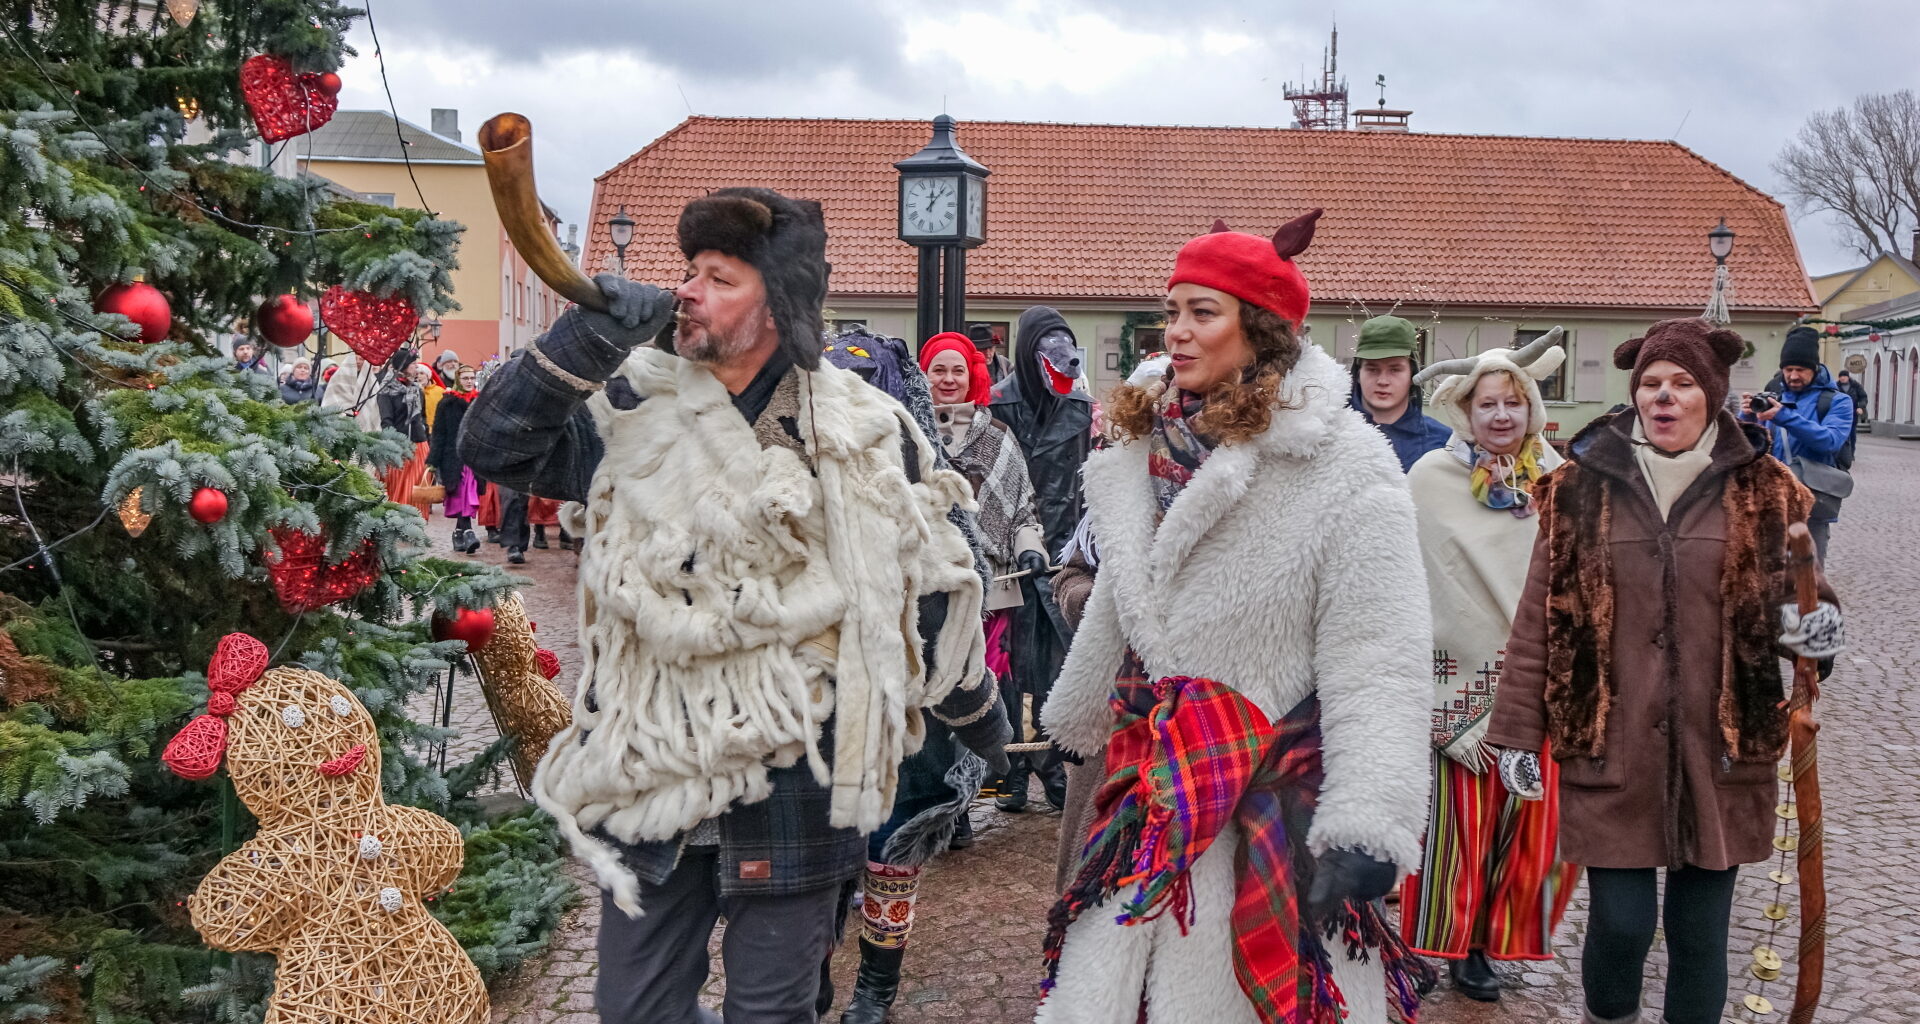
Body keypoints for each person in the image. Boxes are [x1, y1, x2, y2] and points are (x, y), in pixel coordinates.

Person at [457, 187, 1005, 1024]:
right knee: (635, 1011)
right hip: (650, 778)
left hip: (795, 788)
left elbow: (928, 588)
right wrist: (588, 335)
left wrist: (979, 720)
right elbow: (494, 445)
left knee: (772, 1015)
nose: (687, 290)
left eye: (718, 277)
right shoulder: (633, 412)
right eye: (688, 271)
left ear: (779, 303)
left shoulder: (863, 432)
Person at [1036, 212, 1432, 1024]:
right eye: (1171, 310)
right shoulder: (1143, 445)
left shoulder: (1345, 465)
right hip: (1149, 788)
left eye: (1201, 313)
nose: (1175, 332)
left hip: (1271, 805)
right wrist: (1077, 714)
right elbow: (1127, 593)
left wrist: (1371, 818)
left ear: (1262, 330)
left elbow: (1379, 653)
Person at [1487, 317, 1844, 1024]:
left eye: (1682, 383)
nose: (1665, 396)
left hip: (1723, 748)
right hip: (1610, 742)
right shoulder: (1579, 489)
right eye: (1651, 383)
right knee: (1620, 925)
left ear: (1711, 394)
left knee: (1699, 934)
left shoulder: (1765, 491)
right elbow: (1538, 621)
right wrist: (1518, 735)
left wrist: (1815, 634)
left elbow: (1803, 597)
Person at [819, 326, 1014, 1024]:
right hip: (818, 709)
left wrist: (982, 718)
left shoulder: (925, 478)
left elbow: (959, 596)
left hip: (909, 710)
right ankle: (811, 973)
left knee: (892, 842)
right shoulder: (789, 471)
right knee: (818, 852)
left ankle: (875, 985)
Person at [1398, 334, 1579, 1001]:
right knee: (1455, 825)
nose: (1501, 416)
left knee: (1526, 823)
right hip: (1455, 678)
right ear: (1465, 413)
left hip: (1538, 679)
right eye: (1487, 405)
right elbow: (1414, 575)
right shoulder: (1430, 480)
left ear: (1531, 409)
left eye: (1513, 402)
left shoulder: (1558, 481)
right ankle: (1450, 941)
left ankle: (1491, 941)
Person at [986, 306, 1092, 811]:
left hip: (1060, 556)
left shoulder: (1080, 408)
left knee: (1055, 666)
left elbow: (1086, 482)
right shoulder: (996, 407)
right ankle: (1007, 768)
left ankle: (1052, 767)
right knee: (1008, 666)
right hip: (1010, 557)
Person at [1742, 325, 1854, 563]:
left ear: (1814, 369)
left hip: (1812, 501)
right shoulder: (1774, 398)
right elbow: (1747, 449)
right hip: (1770, 501)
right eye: (1788, 369)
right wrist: (1748, 418)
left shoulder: (1837, 401)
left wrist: (1784, 416)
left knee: (1808, 576)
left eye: (1800, 370)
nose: (1793, 376)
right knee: (1766, 573)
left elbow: (1829, 441)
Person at [1349, 314, 1449, 471]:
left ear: (1412, 374)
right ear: (1358, 373)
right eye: (1372, 369)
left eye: (1395, 369)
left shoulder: (1443, 444)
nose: (1383, 381)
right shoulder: (1328, 436)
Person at [428, 365, 483, 553]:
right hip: (453, 457)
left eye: (472, 377)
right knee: (461, 495)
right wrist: (433, 461)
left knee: (469, 494)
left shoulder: (479, 401)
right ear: (459, 380)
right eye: (465, 378)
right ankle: (468, 532)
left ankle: (459, 533)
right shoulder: (447, 403)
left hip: (473, 457)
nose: (469, 381)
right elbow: (439, 433)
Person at [377, 363, 432, 514]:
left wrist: (426, 436)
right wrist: (393, 445)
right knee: (397, 488)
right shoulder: (386, 390)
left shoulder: (417, 390)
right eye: (413, 365)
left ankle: (417, 522)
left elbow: (423, 418)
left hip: (420, 444)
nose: (417, 368)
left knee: (417, 487)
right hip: (398, 445)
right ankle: (398, 521)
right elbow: (386, 420)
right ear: (403, 366)